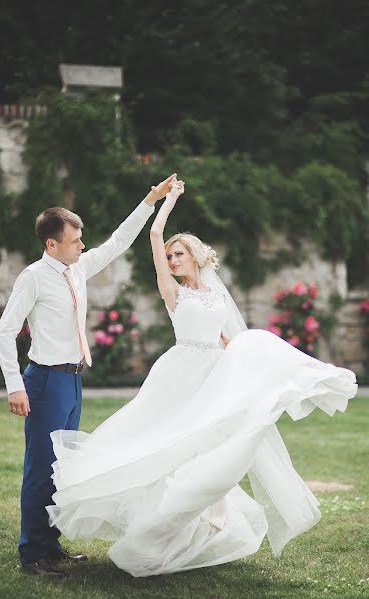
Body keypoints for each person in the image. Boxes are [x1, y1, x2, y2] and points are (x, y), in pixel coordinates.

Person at [46, 179, 358, 578]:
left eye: (179, 254)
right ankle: (169, 521)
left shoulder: (214, 295)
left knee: (221, 430)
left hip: (215, 371)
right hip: (181, 372)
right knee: (171, 443)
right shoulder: (173, 292)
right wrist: (169, 200)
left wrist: (245, 362)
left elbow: (228, 338)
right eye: (170, 256)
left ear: (194, 256)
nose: (173, 260)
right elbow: (156, 233)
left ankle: (213, 504)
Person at [0, 173, 177, 578]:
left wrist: (151, 200)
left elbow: (118, 241)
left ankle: (51, 544)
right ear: (51, 244)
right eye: (75, 239)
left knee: (62, 469)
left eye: (81, 238)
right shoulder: (33, 277)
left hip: (73, 381)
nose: (82, 244)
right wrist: (14, 386)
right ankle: (32, 554)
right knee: (41, 470)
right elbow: (5, 333)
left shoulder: (77, 269)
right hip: (43, 383)